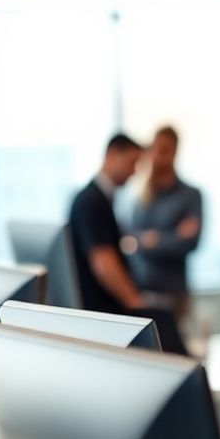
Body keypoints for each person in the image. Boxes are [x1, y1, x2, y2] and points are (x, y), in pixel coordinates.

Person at [125, 125, 203, 321]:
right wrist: (169, 237)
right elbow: (129, 240)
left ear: (175, 152)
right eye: (156, 149)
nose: (159, 156)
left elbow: (189, 242)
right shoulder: (142, 197)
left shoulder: (189, 196)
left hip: (173, 294)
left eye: (165, 150)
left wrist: (153, 240)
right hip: (141, 290)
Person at [69, 134, 147, 315]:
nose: (134, 171)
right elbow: (103, 262)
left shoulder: (100, 198)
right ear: (112, 154)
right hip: (99, 310)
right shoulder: (92, 201)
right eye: (132, 162)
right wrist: (134, 302)